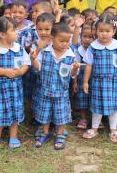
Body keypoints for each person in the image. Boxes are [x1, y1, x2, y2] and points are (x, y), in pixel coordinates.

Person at [31, 22, 81, 150]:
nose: (65, 44)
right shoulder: (45, 52)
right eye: (61, 41)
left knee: (61, 114)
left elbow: (72, 75)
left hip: (61, 92)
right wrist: (33, 60)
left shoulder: (70, 55)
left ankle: (60, 134)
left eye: (67, 41)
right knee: (45, 113)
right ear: (52, 39)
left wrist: (75, 69)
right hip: (45, 90)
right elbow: (38, 68)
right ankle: (45, 132)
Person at [82, 14, 117, 143]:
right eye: (101, 31)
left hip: (114, 82)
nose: (104, 34)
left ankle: (113, 129)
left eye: (107, 31)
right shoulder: (93, 47)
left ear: (114, 31)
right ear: (96, 31)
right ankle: (94, 128)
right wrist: (86, 81)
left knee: (114, 107)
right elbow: (88, 65)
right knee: (96, 105)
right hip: (97, 82)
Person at [0, 17, 31, 149]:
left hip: (14, 89)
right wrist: (4, 72)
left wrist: (22, 71)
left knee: (14, 110)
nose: (17, 32)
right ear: (2, 34)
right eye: (13, 30)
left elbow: (26, 63)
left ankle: (13, 137)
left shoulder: (18, 48)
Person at [72, 22, 95, 130]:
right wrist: (75, 82)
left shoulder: (96, 50)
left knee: (94, 98)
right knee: (82, 98)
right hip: (81, 78)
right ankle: (83, 118)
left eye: (91, 37)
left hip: (94, 79)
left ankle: (95, 119)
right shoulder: (78, 51)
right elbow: (75, 68)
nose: (87, 39)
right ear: (81, 37)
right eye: (85, 36)